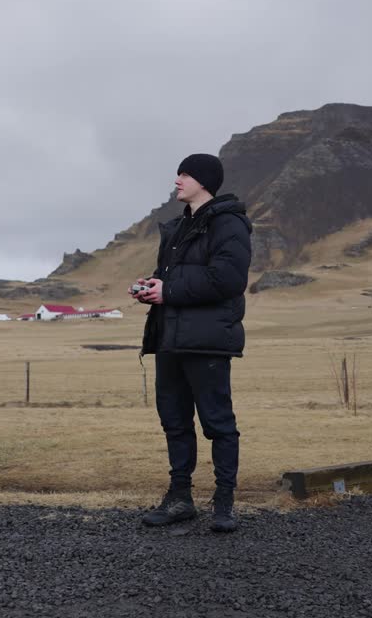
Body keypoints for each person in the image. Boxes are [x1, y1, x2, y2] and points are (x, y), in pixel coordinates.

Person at [131, 153, 252, 533]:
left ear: (203, 181)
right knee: (175, 422)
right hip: (170, 338)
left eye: (184, 174)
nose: (177, 179)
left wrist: (170, 291)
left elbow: (227, 280)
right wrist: (152, 286)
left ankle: (224, 504)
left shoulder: (229, 223)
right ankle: (180, 499)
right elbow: (176, 278)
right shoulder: (179, 227)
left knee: (218, 423)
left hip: (206, 341)